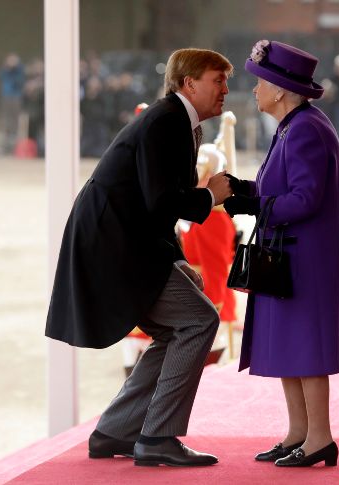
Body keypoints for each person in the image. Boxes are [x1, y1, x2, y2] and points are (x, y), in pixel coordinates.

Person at [45, 48, 234, 467]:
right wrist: (210, 196)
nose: (225, 90)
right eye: (217, 80)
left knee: (176, 329)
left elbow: (155, 205)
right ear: (188, 83)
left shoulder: (177, 122)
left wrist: (179, 260)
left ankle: (116, 430)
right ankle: (157, 437)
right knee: (200, 320)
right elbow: (162, 202)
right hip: (115, 246)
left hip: (120, 242)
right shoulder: (167, 121)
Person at [223, 40, 339, 467]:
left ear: (279, 90)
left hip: (304, 260)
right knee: (291, 348)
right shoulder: (294, 126)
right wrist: (244, 192)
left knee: (307, 351)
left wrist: (256, 205)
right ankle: (299, 433)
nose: (254, 91)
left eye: (259, 83)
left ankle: (320, 438)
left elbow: (305, 199)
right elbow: (278, 190)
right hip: (290, 256)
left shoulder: (305, 129)